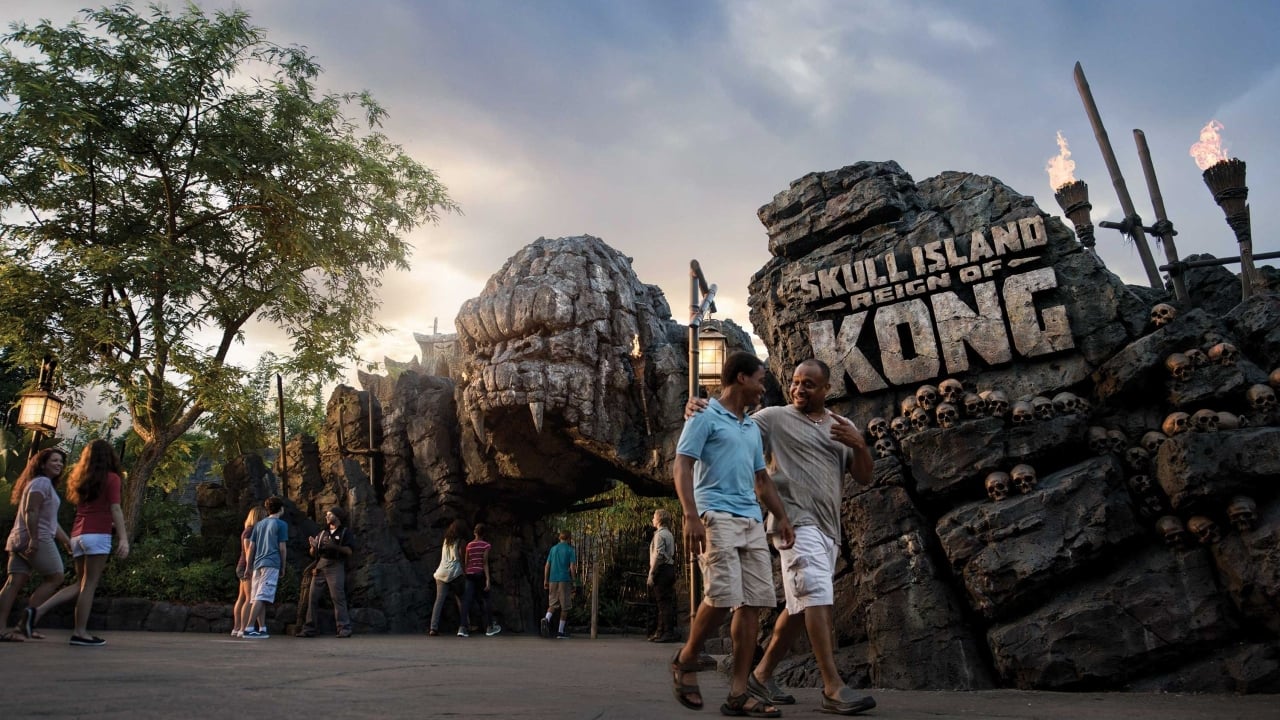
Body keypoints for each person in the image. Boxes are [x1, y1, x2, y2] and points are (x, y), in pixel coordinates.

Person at [688, 358, 877, 716]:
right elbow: (729, 420)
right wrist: (698, 407)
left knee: (798, 606)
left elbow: (865, 477)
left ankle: (760, 675)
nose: (798, 389)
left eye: (808, 384)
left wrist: (861, 444)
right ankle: (832, 687)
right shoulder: (772, 418)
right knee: (816, 595)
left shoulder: (842, 426)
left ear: (826, 390)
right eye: (795, 382)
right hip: (794, 525)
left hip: (828, 529)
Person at [668, 351, 795, 717]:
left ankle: (739, 693)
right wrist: (690, 514)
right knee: (722, 596)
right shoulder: (704, 415)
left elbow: (761, 478)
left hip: (751, 520)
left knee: (753, 602)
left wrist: (781, 516)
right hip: (715, 515)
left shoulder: (751, 427)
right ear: (741, 378)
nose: (763, 386)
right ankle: (687, 657)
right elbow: (683, 464)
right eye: (760, 378)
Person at [27, 439, 130, 646]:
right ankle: (80, 632)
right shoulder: (112, 478)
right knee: (89, 585)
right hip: (98, 534)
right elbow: (115, 509)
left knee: (80, 583)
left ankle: (37, 611)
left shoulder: (81, 478)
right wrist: (123, 538)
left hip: (77, 535)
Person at [0, 448, 70, 642]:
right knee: (56, 576)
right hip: (35, 538)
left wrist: (66, 542)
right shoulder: (41, 482)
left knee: (13, 583)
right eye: (54, 460)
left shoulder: (42, 484)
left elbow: (51, 522)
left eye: (61, 462)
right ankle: (26, 624)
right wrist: (34, 539)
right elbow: (32, 511)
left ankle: (3, 628)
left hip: (19, 539)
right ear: (42, 463)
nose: (59, 464)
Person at [298, 506, 354, 638]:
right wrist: (312, 547)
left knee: (338, 597)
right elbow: (313, 553)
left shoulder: (345, 532)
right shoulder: (323, 533)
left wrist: (334, 546)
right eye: (327, 515)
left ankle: (344, 628)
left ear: (338, 516)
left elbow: (349, 551)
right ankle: (309, 628)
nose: (327, 516)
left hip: (336, 565)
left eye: (330, 514)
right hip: (321, 565)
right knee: (312, 597)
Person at [244, 496, 287, 639]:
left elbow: (251, 546)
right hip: (271, 563)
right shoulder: (281, 525)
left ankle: (262, 628)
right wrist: (283, 566)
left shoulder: (259, 525)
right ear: (281, 508)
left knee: (257, 596)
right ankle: (249, 627)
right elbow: (282, 548)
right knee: (262, 596)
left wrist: (248, 566)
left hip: (257, 563)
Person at [231, 506, 267, 638]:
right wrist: (249, 568)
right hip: (247, 566)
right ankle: (243, 628)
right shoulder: (251, 531)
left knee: (241, 597)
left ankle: (236, 628)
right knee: (249, 598)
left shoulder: (247, 530)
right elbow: (248, 551)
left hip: (242, 565)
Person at [460, 523, 501, 637]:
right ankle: (489, 627)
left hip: (469, 574)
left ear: (475, 532)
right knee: (486, 599)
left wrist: (466, 573)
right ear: (484, 534)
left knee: (466, 600)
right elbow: (485, 563)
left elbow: (466, 561)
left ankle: (462, 627)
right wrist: (488, 579)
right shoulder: (486, 545)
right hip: (480, 574)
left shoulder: (469, 545)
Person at [428, 519, 468, 636]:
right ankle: (465, 625)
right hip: (455, 574)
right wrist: (465, 572)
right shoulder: (461, 541)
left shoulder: (446, 541)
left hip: (441, 573)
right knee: (462, 599)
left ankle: (433, 628)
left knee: (439, 601)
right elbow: (460, 558)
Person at [646, 508, 678, 643]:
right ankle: (660, 631)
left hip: (662, 569)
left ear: (659, 519)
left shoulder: (659, 535)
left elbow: (658, 555)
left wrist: (652, 573)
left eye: (654, 517)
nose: (653, 519)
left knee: (663, 603)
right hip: (669, 568)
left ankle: (667, 632)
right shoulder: (669, 534)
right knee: (664, 602)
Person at [540, 530, 576, 639]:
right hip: (564, 580)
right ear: (569, 538)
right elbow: (572, 567)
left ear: (560, 538)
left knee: (553, 604)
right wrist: (574, 582)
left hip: (552, 579)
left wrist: (545, 580)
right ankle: (560, 632)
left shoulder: (553, 549)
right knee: (565, 607)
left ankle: (546, 619)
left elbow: (547, 566)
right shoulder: (570, 550)